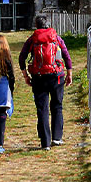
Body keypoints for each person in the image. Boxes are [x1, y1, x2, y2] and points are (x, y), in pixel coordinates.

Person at [19, 16, 72, 150]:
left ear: (36, 25)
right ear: (48, 25)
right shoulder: (56, 37)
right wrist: (69, 72)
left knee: (42, 109)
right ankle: (57, 138)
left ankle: (45, 143)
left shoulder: (32, 39)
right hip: (57, 76)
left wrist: (26, 75)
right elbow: (66, 54)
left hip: (39, 77)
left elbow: (22, 58)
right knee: (57, 106)